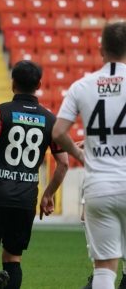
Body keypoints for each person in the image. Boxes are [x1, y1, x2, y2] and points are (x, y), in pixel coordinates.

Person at [0, 60, 69, 289]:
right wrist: (48, 195)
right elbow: (63, 163)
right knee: (13, 257)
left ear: (13, 84)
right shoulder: (50, 120)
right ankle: (1, 278)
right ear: (39, 85)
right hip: (26, 198)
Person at [53, 22, 126, 289]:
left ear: (101, 50)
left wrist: (80, 154)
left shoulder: (82, 86)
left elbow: (59, 131)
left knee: (105, 269)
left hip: (99, 187)